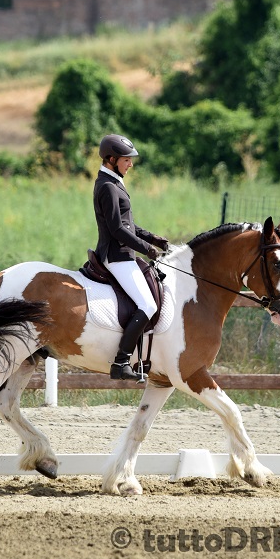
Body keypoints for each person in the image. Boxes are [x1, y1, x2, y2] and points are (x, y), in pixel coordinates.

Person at [94, 134, 169, 380]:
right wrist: (145, 249)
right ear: (112, 159)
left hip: (123, 254)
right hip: (116, 256)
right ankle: (121, 362)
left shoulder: (113, 182)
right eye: (127, 160)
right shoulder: (107, 186)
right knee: (148, 305)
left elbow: (128, 225)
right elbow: (117, 230)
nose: (131, 164)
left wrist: (153, 239)